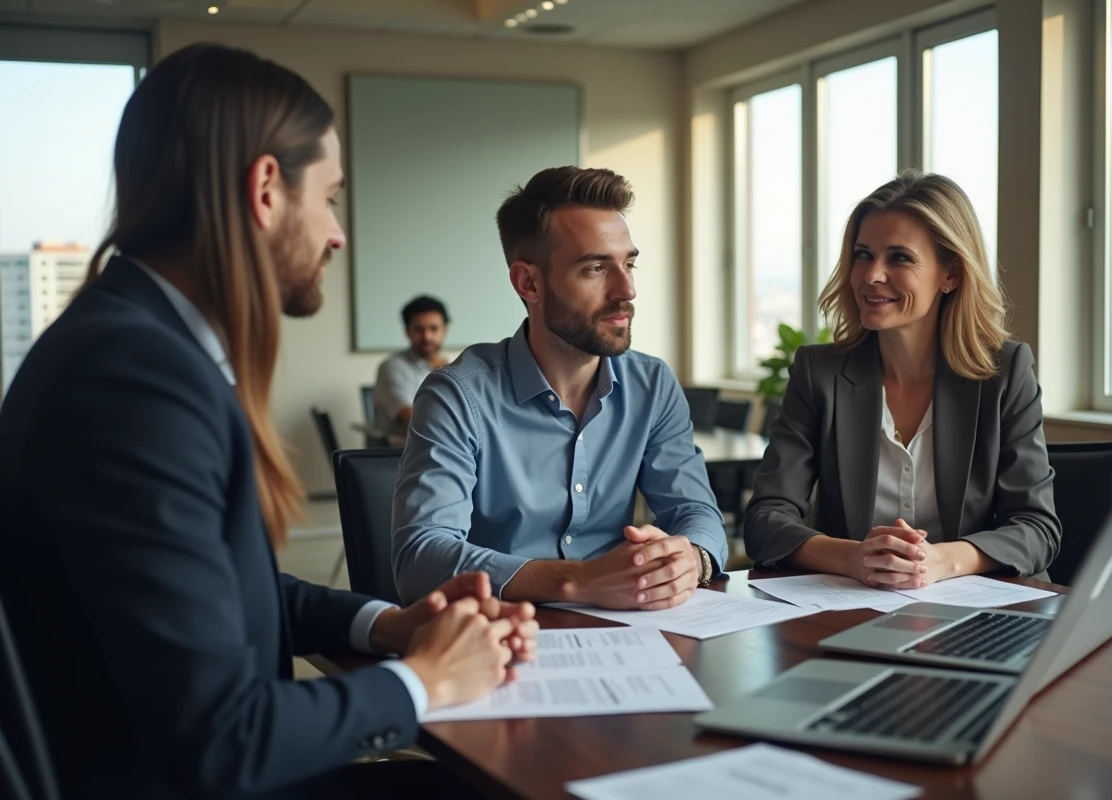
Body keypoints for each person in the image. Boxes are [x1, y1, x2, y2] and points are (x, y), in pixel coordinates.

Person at [0, 43, 537, 800]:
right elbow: (223, 742)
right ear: (265, 190)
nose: (337, 234)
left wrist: (390, 626)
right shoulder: (137, 383)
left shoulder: (132, 345)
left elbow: (229, 592)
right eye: (331, 198)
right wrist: (426, 682)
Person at [391, 166, 728, 608]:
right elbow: (420, 559)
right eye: (595, 268)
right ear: (529, 283)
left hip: (630, 631)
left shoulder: (653, 384)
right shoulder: (456, 395)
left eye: (629, 264)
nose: (627, 289)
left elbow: (695, 512)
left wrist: (694, 557)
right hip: (500, 637)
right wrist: (577, 580)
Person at [745, 171, 1061, 586]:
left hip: (974, 612)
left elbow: (1038, 529)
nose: (871, 275)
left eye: (899, 257)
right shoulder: (818, 373)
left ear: (951, 274)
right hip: (851, 607)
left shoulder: (1004, 374)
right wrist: (853, 557)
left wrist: (942, 562)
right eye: (862, 254)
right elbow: (765, 520)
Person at [373, 295, 450, 444]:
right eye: (418, 329)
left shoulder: (452, 366)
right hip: (396, 457)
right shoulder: (392, 367)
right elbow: (409, 415)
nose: (427, 336)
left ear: (445, 331)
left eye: (434, 329)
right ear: (407, 331)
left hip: (440, 447)